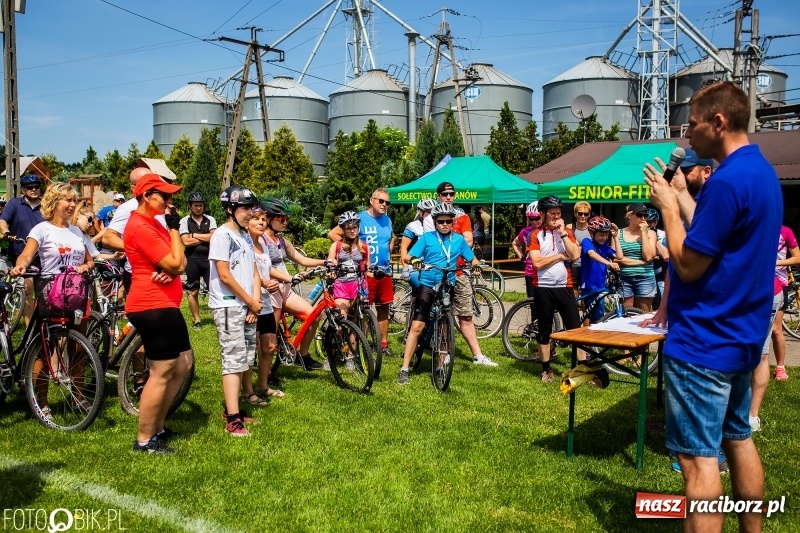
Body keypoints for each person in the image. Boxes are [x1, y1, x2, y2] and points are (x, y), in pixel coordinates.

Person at [643, 81, 783, 532]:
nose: (688, 137)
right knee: (738, 439)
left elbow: (686, 265)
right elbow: (718, 237)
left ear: (718, 122)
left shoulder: (725, 182)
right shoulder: (759, 171)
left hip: (704, 340)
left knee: (700, 465)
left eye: (693, 125)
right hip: (741, 336)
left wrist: (667, 208)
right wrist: (683, 196)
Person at [11, 182, 96, 422]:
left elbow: (90, 260)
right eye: (66, 200)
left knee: (78, 348)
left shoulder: (78, 232)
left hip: (77, 293)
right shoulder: (41, 230)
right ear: (53, 203)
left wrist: (85, 266)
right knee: (44, 351)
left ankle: (78, 394)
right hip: (51, 294)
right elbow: (27, 254)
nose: (71, 205)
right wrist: (21, 265)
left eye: (73, 200)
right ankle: (41, 400)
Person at [122, 174, 192, 454]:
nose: (169, 202)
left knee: (183, 364)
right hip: (151, 305)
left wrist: (171, 264)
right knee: (161, 371)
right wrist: (175, 231)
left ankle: (158, 428)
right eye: (164, 196)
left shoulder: (154, 224)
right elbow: (176, 262)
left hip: (165, 304)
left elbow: (181, 262)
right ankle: (144, 440)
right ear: (146, 196)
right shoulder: (140, 226)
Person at [398, 203, 481, 385]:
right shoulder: (427, 238)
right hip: (428, 284)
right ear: (434, 222)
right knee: (417, 326)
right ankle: (404, 368)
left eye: (448, 221)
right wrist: (415, 260)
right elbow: (406, 256)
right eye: (440, 221)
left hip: (447, 284)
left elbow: (471, 257)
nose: (444, 224)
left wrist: (475, 264)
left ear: (453, 222)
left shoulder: (458, 240)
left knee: (444, 326)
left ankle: (440, 365)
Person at [208, 186, 262, 437]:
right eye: (245, 208)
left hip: (246, 305)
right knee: (232, 361)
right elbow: (224, 275)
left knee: (244, 359)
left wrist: (255, 301)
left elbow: (253, 271)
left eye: (252, 208)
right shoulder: (222, 235)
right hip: (229, 305)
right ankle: (232, 419)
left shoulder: (244, 236)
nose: (250, 213)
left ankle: (236, 410)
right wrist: (249, 301)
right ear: (230, 209)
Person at [430, 181, 497, 367]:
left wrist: (448, 237)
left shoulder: (462, 216)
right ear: (438, 196)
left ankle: (478, 356)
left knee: (466, 315)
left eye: (451, 194)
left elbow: (468, 241)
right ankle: (444, 352)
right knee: (442, 315)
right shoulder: (431, 216)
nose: (448, 197)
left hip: (458, 271)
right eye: (444, 194)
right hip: (437, 272)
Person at [263, 197, 329, 373]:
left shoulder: (281, 241)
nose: (285, 222)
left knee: (313, 317)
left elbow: (301, 259)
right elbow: (264, 267)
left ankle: (303, 355)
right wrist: (288, 277)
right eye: (281, 218)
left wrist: (325, 261)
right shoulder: (260, 240)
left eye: (287, 219)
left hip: (286, 289)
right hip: (271, 291)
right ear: (268, 218)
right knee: (270, 335)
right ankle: (267, 374)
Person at [328, 188, 396, 359]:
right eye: (381, 201)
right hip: (362, 273)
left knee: (383, 308)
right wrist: (348, 250)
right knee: (360, 312)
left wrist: (389, 248)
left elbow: (391, 236)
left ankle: (383, 344)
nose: (384, 205)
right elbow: (333, 233)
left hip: (383, 271)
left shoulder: (387, 220)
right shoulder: (359, 219)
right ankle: (358, 344)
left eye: (387, 202)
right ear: (371, 200)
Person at [526, 195, 582, 382]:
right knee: (544, 330)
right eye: (552, 214)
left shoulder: (567, 232)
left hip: (564, 286)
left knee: (576, 329)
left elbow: (574, 255)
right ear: (543, 214)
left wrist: (563, 234)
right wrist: (559, 256)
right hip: (543, 287)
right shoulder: (535, 235)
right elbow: (537, 263)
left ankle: (581, 369)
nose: (556, 217)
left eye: (558, 213)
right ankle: (546, 369)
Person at [243, 203, 283, 402]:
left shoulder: (263, 243)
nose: (261, 222)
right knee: (249, 349)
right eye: (256, 218)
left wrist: (280, 279)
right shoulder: (243, 243)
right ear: (246, 222)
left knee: (268, 346)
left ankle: (263, 386)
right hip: (250, 303)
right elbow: (245, 273)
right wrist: (263, 283)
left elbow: (266, 270)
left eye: (263, 219)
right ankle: (247, 391)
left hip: (266, 302)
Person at [1, 174, 46, 326]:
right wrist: (6, 232)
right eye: (30, 187)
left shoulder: (46, 206)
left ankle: (44, 326)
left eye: (36, 187)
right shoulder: (15, 204)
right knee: (28, 289)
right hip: (21, 254)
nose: (34, 190)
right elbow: (2, 221)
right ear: (23, 190)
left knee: (44, 293)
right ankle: (29, 330)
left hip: (43, 255)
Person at [179, 192, 217, 330]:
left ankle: (218, 318)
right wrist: (205, 237)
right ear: (190, 206)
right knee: (193, 291)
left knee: (214, 290)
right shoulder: (184, 221)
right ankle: (197, 320)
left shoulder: (210, 219)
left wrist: (194, 235)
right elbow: (185, 242)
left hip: (208, 259)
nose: (198, 208)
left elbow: (214, 237)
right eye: (195, 205)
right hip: (192, 259)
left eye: (201, 205)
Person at [614, 202, 657, 312]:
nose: (643, 218)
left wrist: (643, 233)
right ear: (630, 215)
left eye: (645, 215)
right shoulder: (618, 233)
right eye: (639, 215)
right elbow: (616, 258)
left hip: (645, 278)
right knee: (626, 315)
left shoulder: (650, 233)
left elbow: (648, 257)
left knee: (643, 315)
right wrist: (641, 262)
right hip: (624, 278)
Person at [579, 216, 619, 326]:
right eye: (601, 235)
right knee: (594, 318)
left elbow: (619, 256)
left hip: (600, 285)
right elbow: (591, 254)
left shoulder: (605, 245)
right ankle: (587, 340)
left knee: (597, 317)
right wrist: (609, 263)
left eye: (606, 235)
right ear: (592, 233)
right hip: (589, 285)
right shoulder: (587, 241)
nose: (604, 238)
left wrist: (615, 237)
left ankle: (590, 341)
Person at [328, 211, 369, 316]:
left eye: (354, 227)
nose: (352, 231)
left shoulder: (364, 247)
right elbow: (329, 264)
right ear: (343, 229)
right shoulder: (336, 245)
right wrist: (331, 271)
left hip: (359, 285)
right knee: (341, 320)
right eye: (348, 228)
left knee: (360, 322)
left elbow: (368, 266)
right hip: (342, 285)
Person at [512, 202, 543, 319]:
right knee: (533, 303)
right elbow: (515, 243)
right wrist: (521, 256)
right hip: (530, 272)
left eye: (537, 218)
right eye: (531, 219)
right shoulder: (525, 231)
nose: (534, 221)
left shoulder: (547, 231)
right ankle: (534, 325)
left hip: (544, 271)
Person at [645, 208, 669, 310]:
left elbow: (666, 256)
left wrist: (654, 238)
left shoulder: (662, 235)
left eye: (652, 222)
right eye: (647, 221)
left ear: (656, 222)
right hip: (643, 275)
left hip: (657, 276)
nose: (650, 224)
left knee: (659, 308)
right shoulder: (637, 233)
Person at [566, 201, 591, 296]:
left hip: (588, 266)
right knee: (573, 295)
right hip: (573, 266)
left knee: (586, 298)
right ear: (575, 214)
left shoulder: (592, 229)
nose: (583, 216)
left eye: (586, 214)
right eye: (580, 213)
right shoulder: (570, 227)